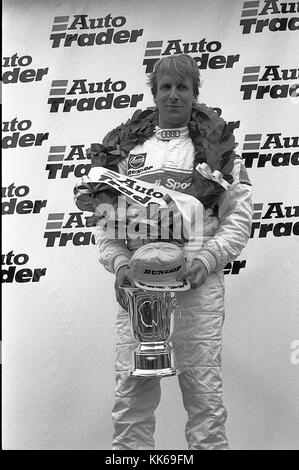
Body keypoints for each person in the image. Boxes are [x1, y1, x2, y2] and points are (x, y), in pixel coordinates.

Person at [92, 54, 253, 450]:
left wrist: (205, 259)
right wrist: (120, 263)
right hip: (138, 290)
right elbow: (105, 218)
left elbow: (237, 218)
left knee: (204, 396)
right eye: (166, 87)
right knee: (131, 397)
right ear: (154, 93)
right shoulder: (126, 150)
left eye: (183, 87)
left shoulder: (218, 148)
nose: (174, 95)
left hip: (197, 289)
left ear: (196, 93)